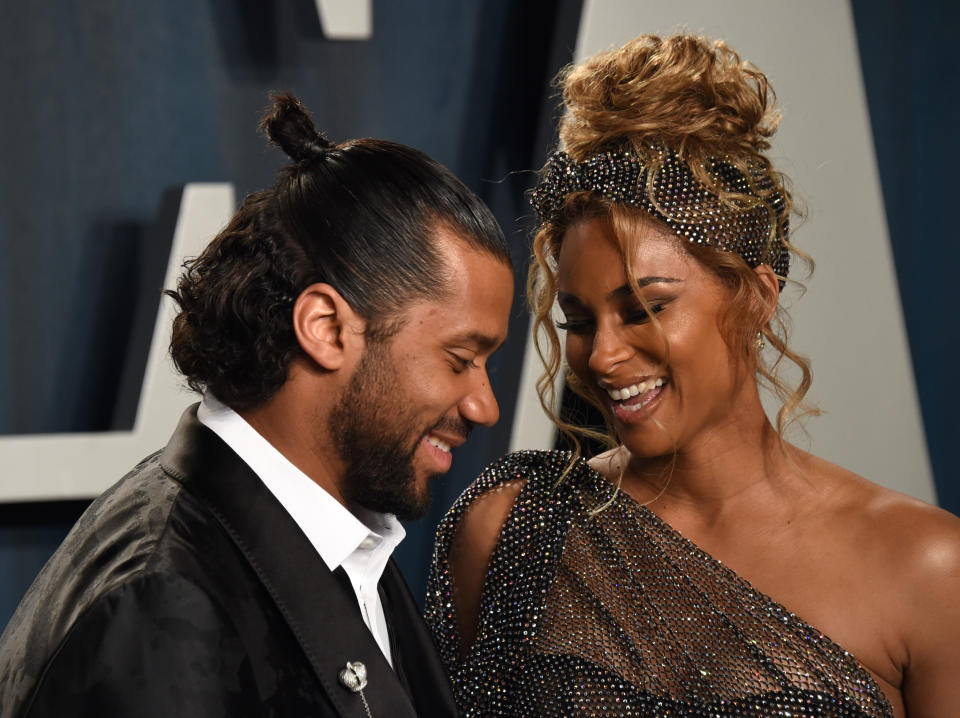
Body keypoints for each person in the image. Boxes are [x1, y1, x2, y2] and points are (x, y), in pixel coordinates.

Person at [425, 35, 960, 717]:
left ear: (756, 297)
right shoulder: (514, 530)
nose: (604, 356)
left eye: (646, 308)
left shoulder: (928, 569)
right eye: (581, 321)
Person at [0, 93, 514, 717]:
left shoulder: (338, 545)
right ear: (325, 327)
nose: (484, 405)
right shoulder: (162, 601)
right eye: (459, 360)